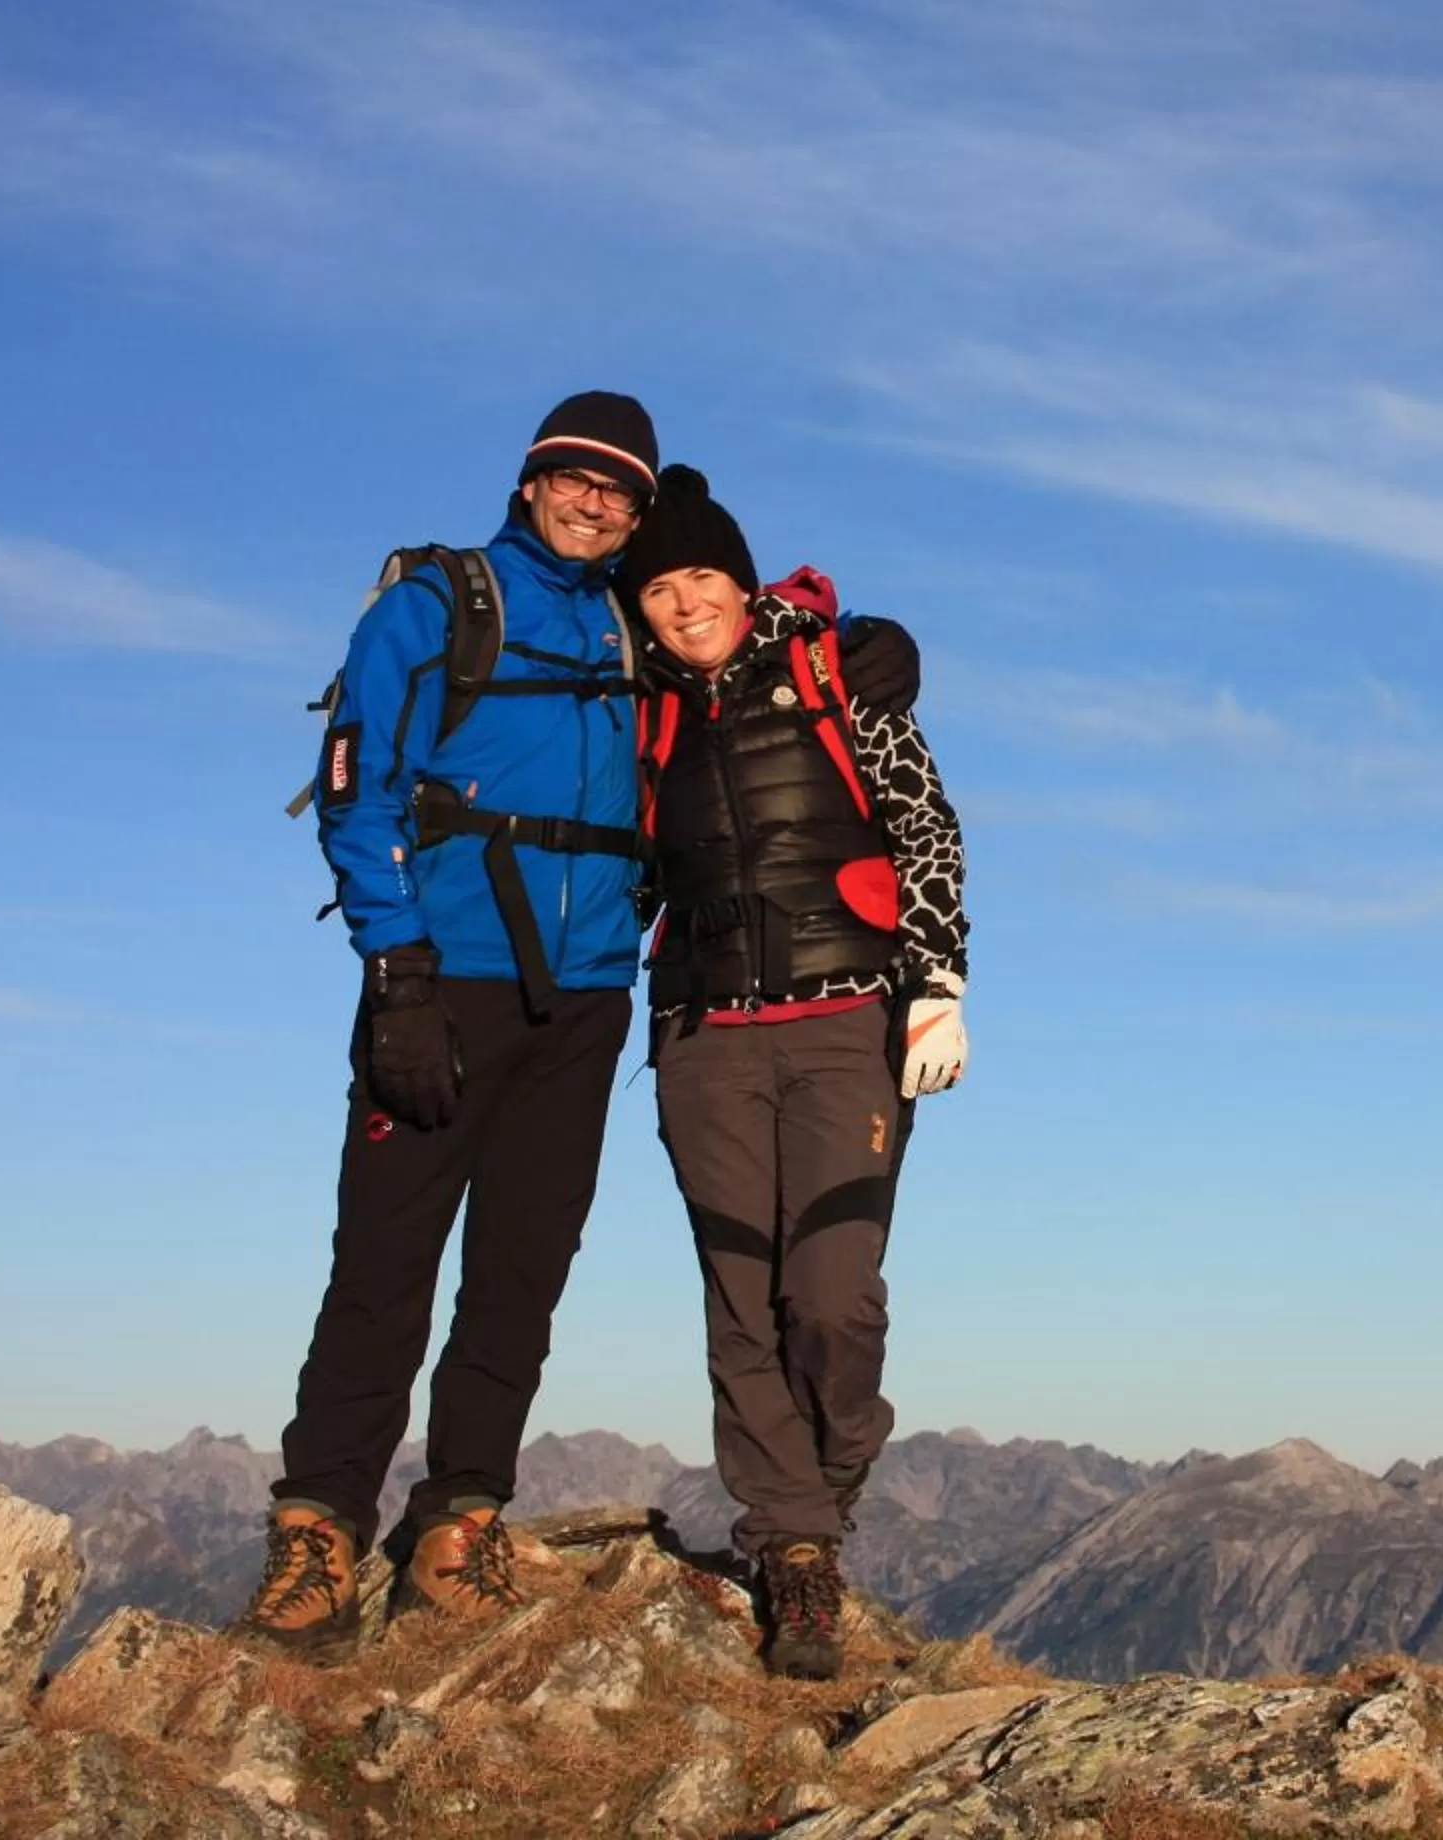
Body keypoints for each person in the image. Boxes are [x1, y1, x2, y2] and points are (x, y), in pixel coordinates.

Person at [230, 392, 663, 1661]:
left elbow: (733, 627)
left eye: (621, 492)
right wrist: (398, 972)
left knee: (521, 1275)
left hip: (585, 998)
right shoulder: (436, 604)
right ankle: (316, 1533)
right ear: (532, 481)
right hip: (446, 983)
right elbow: (356, 792)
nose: (597, 504)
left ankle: (455, 1524)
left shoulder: (630, 624)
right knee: (383, 1263)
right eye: (578, 480)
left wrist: (863, 647)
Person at [618, 471, 968, 1681]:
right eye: (656, 587)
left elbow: (923, 821)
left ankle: (829, 1472)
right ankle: (796, 1554)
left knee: (829, 1294)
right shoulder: (641, 710)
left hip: (844, 1024)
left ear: (739, 577)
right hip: (703, 1034)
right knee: (740, 1300)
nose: (680, 603)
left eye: (697, 577)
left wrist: (939, 983)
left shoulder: (835, 670)